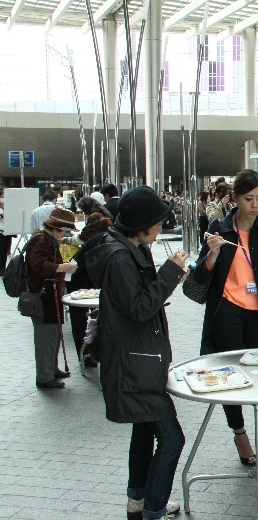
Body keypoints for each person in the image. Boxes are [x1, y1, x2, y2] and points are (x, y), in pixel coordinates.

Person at [84, 186, 187, 520]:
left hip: (140, 359)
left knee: (144, 430)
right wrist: (171, 272)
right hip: (133, 364)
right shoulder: (118, 257)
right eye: (157, 223)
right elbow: (141, 307)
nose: (160, 229)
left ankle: (138, 503)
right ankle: (154, 509)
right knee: (171, 439)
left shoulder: (131, 248)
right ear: (142, 226)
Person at [193, 169, 258, 464]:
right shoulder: (219, 228)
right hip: (226, 310)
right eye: (248, 198)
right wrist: (211, 255)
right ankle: (239, 434)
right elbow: (200, 273)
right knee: (229, 376)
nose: (255, 204)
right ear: (235, 198)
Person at [25, 207, 78, 388]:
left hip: (50, 294)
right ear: (55, 228)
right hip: (43, 295)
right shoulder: (41, 241)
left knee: (53, 334)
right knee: (46, 336)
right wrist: (62, 268)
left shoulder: (46, 239)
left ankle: (51, 369)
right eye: (63, 230)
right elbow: (38, 265)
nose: (63, 234)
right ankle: (44, 376)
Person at [65, 210, 114, 366]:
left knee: (81, 319)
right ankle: (87, 354)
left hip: (81, 277)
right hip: (80, 279)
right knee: (80, 318)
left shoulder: (103, 235)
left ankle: (88, 354)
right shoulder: (106, 237)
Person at [0, 186, 14, 269]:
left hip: (7, 233)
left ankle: (2, 268)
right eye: (2, 197)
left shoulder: (8, 207)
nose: (4, 199)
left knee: (5, 251)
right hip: (0, 233)